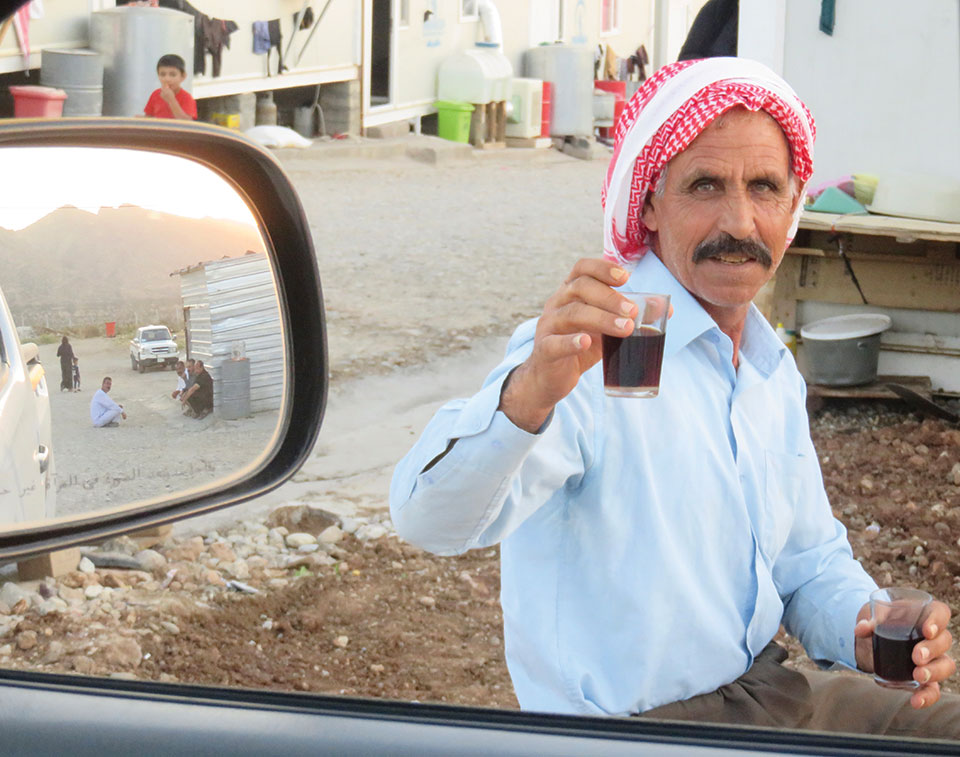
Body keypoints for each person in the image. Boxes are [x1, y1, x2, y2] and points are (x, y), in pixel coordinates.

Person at [390, 58, 959, 736]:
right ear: (651, 202)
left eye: (764, 188)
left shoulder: (768, 366)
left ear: (792, 206)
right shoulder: (604, 341)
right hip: (640, 731)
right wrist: (528, 396)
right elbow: (429, 518)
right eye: (706, 185)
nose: (739, 221)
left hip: (763, 690)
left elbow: (806, 563)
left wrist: (866, 626)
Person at [142, 54, 197, 121]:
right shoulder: (155, 94)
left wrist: (171, 100)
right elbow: (148, 118)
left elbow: (187, 122)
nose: (167, 79)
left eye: (173, 75)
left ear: (183, 76)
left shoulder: (186, 98)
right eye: (162, 74)